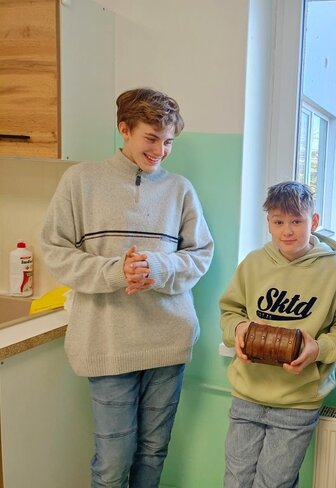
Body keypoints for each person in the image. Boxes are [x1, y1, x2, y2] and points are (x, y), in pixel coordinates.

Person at [41, 88, 214, 487]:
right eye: (151, 138)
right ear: (124, 129)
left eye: (168, 142)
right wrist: (117, 271)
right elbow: (55, 251)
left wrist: (159, 267)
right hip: (107, 343)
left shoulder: (180, 189)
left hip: (168, 341)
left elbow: (201, 255)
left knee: (153, 453)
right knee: (112, 463)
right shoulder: (80, 181)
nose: (160, 151)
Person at [219, 181, 336, 488]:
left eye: (297, 221)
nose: (287, 231)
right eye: (278, 222)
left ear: (314, 221)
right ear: (268, 222)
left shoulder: (335, 272)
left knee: (274, 483)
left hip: (298, 403)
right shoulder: (253, 263)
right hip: (247, 395)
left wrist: (317, 349)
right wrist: (238, 330)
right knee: (236, 481)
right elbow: (230, 312)